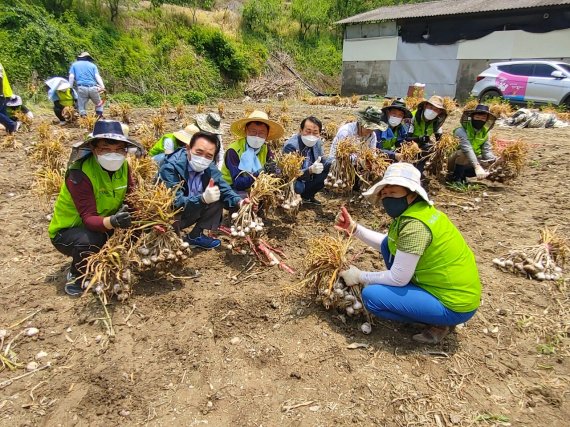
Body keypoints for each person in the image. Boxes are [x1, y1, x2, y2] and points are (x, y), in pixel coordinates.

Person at [334, 162, 481, 344]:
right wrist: (354, 229)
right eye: (385, 194)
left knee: (372, 297)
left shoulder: (415, 226)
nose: (387, 198)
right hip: (444, 289)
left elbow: (398, 278)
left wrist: (359, 276)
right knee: (389, 245)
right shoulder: (418, 214)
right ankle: (427, 309)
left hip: (454, 304)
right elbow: (389, 244)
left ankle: (439, 323)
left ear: (411, 195)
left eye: (394, 193)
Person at [48, 120, 143, 296]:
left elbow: (132, 199)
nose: (113, 155)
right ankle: (76, 275)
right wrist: (113, 221)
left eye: (119, 150)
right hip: (70, 230)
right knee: (91, 240)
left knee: (138, 227)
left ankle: (113, 263)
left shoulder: (124, 167)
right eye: (105, 149)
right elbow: (88, 218)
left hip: (104, 223)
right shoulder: (79, 173)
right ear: (93, 148)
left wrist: (146, 220)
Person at [159, 132, 249, 250]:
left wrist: (239, 202)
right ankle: (171, 239)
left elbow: (223, 187)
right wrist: (202, 199)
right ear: (188, 148)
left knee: (217, 195)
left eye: (208, 156)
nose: (202, 159)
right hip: (167, 215)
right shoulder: (170, 167)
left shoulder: (209, 167)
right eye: (199, 152)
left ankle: (195, 236)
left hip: (190, 209)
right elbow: (174, 202)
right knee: (171, 212)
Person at [221, 110, 284, 195]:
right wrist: (260, 172)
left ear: (267, 134)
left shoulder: (265, 149)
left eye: (261, 133)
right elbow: (238, 183)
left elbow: (274, 168)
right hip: (231, 188)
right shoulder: (233, 150)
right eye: (253, 132)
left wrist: (277, 171)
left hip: (255, 186)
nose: (257, 136)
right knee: (243, 197)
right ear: (246, 130)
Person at [283, 116, 332, 205]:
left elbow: (321, 159)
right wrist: (309, 170)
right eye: (308, 131)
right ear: (300, 130)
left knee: (329, 167)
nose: (311, 136)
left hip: (309, 178)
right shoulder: (291, 146)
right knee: (299, 187)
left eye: (315, 132)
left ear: (319, 134)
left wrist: (333, 162)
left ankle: (308, 196)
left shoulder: (317, 142)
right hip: (295, 179)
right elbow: (288, 174)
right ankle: (292, 198)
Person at [150, 113, 224, 167]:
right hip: (157, 159)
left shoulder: (216, 136)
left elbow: (220, 155)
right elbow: (168, 159)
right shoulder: (169, 140)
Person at [448, 104, 497, 182]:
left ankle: (463, 175)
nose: (480, 120)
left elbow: (486, 151)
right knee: (463, 153)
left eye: (483, 118)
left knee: (488, 162)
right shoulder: (461, 131)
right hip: (454, 160)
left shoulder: (485, 133)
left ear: (486, 120)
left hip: (470, 162)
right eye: (477, 117)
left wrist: (495, 160)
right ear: (472, 118)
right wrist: (477, 166)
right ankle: (455, 178)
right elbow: (467, 149)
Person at [407, 95, 448, 175]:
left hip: (424, 143)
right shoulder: (412, 116)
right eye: (431, 107)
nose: (433, 111)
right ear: (425, 106)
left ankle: (421, 169)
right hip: (411, 142)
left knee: (431, 148)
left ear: (439, 112)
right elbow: (406, 138)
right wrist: (418, 139)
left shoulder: (437, 121)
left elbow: (439, 138)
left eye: (436, 110)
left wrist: (441, 147)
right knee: (412, 148)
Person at [69, 51, 106, 117]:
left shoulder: (74, 65)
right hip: (93, 88)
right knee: (99, 103)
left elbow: (71, 76)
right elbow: (97, 76)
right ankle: (98, 117)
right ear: (88, 58)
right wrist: (102, 86)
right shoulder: (93, 65)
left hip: (81, 88)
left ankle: (84, 118)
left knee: (81, 105)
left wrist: (70, 88)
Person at [0, 62, 20, 134]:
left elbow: (0, 79)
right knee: (2, 113)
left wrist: (1, 94)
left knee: (1, 113)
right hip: (3, 94)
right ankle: (10, 130)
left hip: (2, 94)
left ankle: (12, 125)